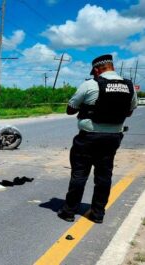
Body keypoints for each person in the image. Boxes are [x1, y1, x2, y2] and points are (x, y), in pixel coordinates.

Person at [57, 54, 138, 224]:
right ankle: (97, 213)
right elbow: (129, 112)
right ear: (112, 67)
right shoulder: (129, 86)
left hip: (88, 137)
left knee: (79, 174)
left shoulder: (90, 85)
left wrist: (88, 108)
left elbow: (70, 109)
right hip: (112, 138)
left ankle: (69, 211)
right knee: (104, 176)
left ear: (96, 69)